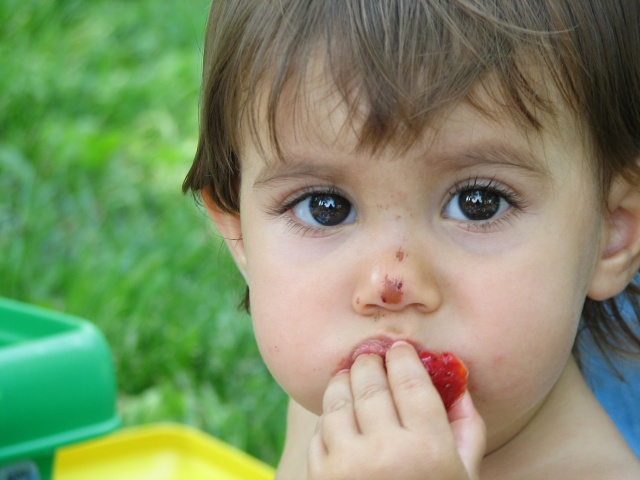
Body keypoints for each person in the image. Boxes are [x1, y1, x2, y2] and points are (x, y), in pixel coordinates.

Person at [183, 1, 640, 478]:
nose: (390, 283)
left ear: (613, 232)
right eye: (325, 207)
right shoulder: (335, 407)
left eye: (478, 202)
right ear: (239, 232)